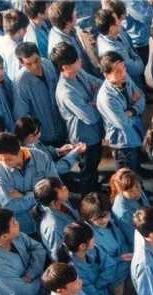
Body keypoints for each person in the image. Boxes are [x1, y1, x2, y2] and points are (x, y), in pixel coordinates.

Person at [51, 41, 103, 192]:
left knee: (94, 165)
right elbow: (90, 117)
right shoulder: (66, 92)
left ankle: (95, 188)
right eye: (75, 60)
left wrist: (92, 102)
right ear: (65, 67)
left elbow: (99, 84)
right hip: (84, 138)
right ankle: (88, 196)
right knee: (87, 171)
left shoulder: (78, 73)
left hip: (95, 133)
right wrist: (97, 99)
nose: (80, 60)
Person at [0, 132, 58, 236]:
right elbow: (9, 206)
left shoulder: (41, 157)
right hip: (25, 227)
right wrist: (40, 194)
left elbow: (55, 187)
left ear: (19, 151)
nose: (4, 164)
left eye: (8, 160)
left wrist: (25, 195)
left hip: (49, 219)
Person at [96, 51, 146, 173]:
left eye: (124, 68)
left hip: (135, 131)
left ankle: (139, 172)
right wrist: (134, 109)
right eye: (118, 71)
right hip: (122, 141)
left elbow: (142, 97)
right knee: (127, 172)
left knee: (136, 161)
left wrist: (130, 111)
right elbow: (123, 123)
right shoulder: (107, 98)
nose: (123, 73)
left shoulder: (125, 77)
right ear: (106, 75)